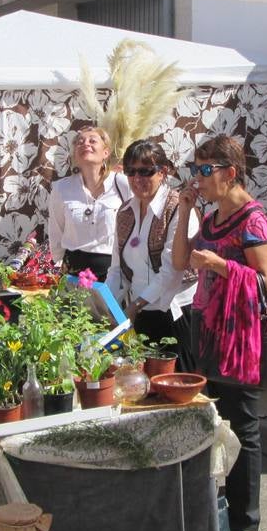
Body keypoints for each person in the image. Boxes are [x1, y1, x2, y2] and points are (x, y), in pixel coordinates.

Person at [173, 134, 267, 531]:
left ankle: (246, 523)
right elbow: (180, 261)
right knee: (215, 421)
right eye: (194, 171)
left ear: (229, 173)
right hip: (208, 328)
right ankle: (219, 511)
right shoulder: (213, 219)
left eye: (204, 171)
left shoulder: (254, 221)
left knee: (243, 425)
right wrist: (184, 214)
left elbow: (266, 285)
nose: (197, 179)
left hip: (240, 336)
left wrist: (220, 264)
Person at [106, 139, 198, 370]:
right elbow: (117, 268)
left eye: (146, 172)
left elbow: (172, 270)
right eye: (131, 172)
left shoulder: (179, 207)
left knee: (176, 384)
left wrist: (135, 306)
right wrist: (107, 304)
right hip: (139, 311)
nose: (138, 179)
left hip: (174, 311)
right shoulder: (125, 211)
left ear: (162, 172)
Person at [46, 125, 128, 282]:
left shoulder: (122, 184)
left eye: (93, 141)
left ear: (106, 152)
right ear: (75, 155)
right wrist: (59, 269)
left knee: (108, 307)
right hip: (73, 272)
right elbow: (56, 233)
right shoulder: (61, 188)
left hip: (113, 273)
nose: (85, 144)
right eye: (80, 142)